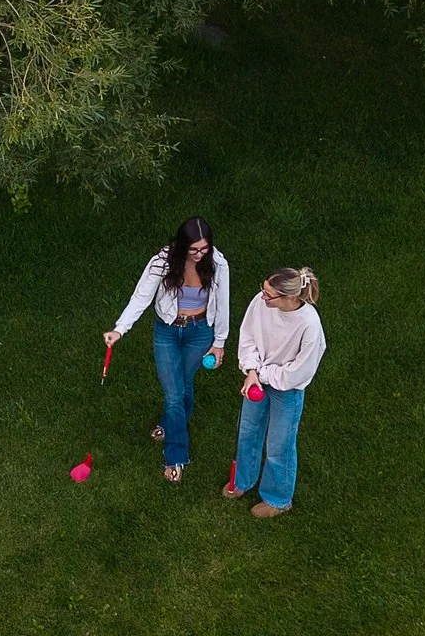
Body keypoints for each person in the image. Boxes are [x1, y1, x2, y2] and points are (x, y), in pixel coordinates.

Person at [104, 216, 231, 482]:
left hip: (200, 332)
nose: (199, 254)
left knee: (183, 384)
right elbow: (140, 297)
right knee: (174, 394)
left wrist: (219, 343)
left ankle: (167, 423)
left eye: (204, 249)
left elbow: (223, 302)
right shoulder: (162, 262)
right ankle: (176, 455)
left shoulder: (218, 264)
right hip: (167, 331)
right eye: (194, 249)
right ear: (182, 245)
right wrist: (120, 329)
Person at [229, 267, 325, 517]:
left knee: (279, 444)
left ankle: (278, 499)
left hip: (288, 390)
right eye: (263, 290)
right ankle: (242, 481)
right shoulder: (262, 303)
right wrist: (250, 370)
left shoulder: (309, 324)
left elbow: (299, 372)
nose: (263, 296)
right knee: (248, 430)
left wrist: (261, 375)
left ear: (289, 298)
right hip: (257, 379)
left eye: (269, 294)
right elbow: (247, 336)